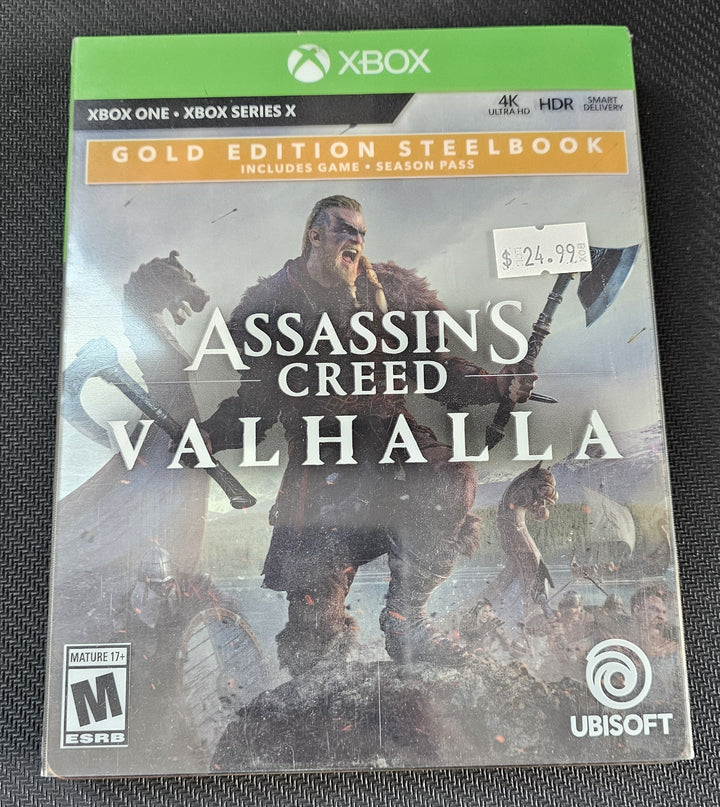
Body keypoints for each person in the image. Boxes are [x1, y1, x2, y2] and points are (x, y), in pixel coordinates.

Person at [199, 195, 535, 674]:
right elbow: (257, 401)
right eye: (344, 230)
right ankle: (314, 676)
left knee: (451, 478)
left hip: (390, 439)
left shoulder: (391, 292)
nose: (356, 240)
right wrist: (210, 434)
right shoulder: (269, 305)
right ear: (315, 235)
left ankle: (405, 619)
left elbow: (434, 370)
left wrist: (498, 384)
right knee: (313, 637)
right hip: (321, 460)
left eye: (360, 232)